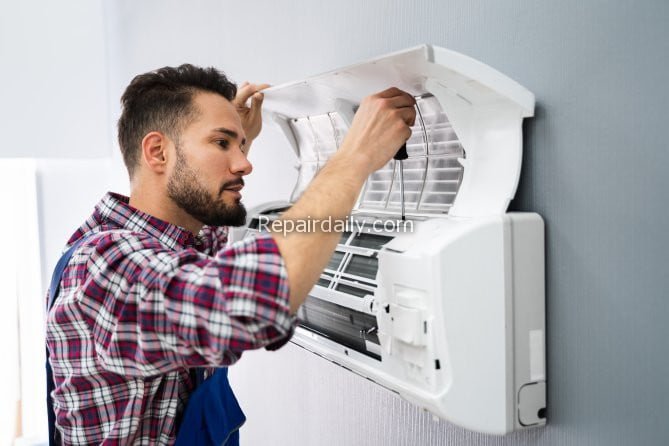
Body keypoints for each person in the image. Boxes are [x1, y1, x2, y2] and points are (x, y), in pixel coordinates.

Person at [45, 63, 416, 445]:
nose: (245, 163)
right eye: (221, 143)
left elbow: (207, 238)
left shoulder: (168, 243)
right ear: (157, 152)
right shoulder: (105, 266)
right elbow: (247, 300)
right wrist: (355, 157)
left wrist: (231, 138)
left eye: (240, 146)